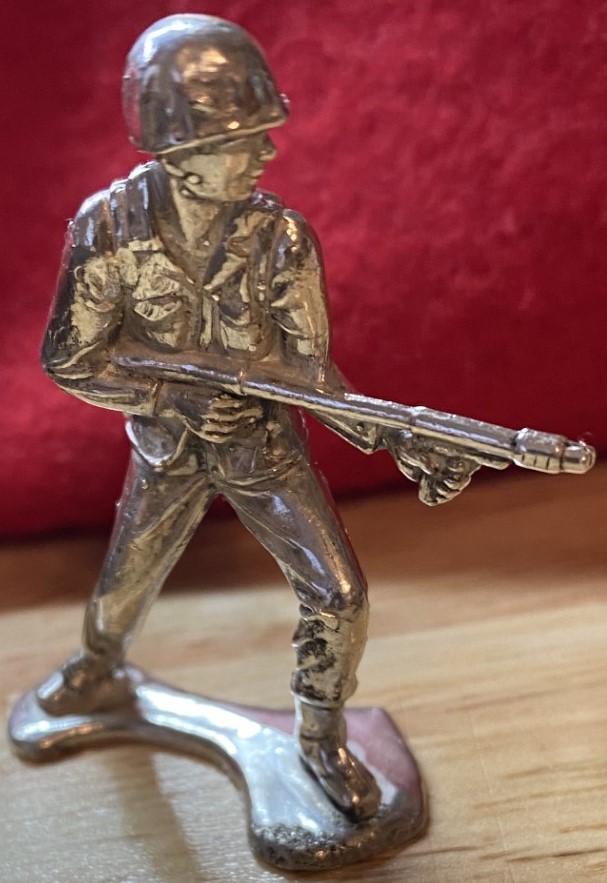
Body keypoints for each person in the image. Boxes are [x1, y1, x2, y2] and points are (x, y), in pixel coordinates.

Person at [37, 14, 470, 820]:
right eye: (246, 139)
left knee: (340, 596)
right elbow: (69, 358)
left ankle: (320, 735)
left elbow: (311, 376)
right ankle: (97, 666)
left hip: (265, 451)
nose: (268, 153)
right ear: (183, 151)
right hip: (168, 451)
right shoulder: (107, 230)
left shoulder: (282, 239)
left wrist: (393, 435)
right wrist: (169, 397)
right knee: (124, 586)